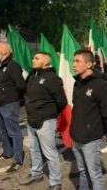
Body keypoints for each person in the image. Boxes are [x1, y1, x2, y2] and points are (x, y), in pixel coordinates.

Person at [20, 52, 67, 189]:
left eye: (37, 58)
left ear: (46, 62)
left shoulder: (52, 78)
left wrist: (49, 115)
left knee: (49, 152)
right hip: (32, 119)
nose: (33, 60)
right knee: (34, 149)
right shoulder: (34, 76)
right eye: (33, 57)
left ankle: (55, 182)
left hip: (45, 121)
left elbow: (61, 102)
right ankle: (36, 173)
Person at [70, 49, 107, 190]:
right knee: (82, 171)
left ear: (89, 64)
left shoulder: (100, 84)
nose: (73, 64)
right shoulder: (77, 83)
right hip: (76, 136)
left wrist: (103, 131)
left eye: (77, 61)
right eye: (73, 61)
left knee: (94, 175)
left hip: (90, 138)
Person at [0, 42, 26, 173]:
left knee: (14, 132)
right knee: (3, 131)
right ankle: (7, 152)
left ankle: (17, 159)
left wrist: (12, 99)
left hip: (8, 105)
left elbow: (21, 85)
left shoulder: (13, 66)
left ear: (5, 51)